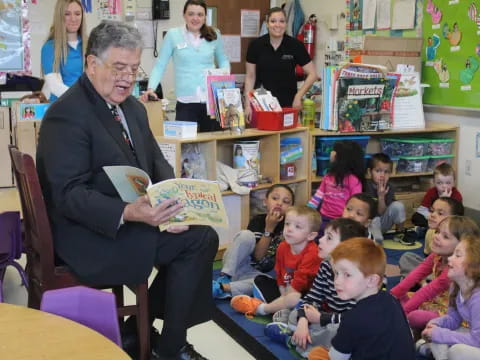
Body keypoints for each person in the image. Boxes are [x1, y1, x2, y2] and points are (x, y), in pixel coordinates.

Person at [35, 21, 219, 360]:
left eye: (134, 69)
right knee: (198, 241)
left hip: (134, 219)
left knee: (200, 233)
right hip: (88, 233)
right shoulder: (67, 115)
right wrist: (129, 212)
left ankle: (145, 333)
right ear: (92, 64)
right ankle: (165, 346)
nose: (127, 77)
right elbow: (69, 195)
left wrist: (173, 200)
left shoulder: (132, 107)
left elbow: (155, 162)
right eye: (118, 67)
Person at [264, 218, 367, 358]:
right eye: (324, 235)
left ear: (345, 248)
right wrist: (303, 320)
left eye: (329, 238)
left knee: (336, 331)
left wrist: (320, 318)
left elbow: (354, 319)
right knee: (298, 312)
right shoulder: (325, 266)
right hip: (324, 318)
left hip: (342, 326)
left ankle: (293, 340)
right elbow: (312, 297)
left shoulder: (355, 278)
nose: (321, 240)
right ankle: (302, 335)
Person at [307, 237, 415, 360]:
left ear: (371, 280)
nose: (337, 281)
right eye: (336, 273)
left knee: (317, 354)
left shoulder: (352, 318)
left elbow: (336, 357)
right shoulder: (391, 299)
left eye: (347, 275)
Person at [140, 0, 230, 132]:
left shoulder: (214, 34)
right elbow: (160, 65)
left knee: (212, 144)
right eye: (191, 14)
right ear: (184, 15)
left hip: (211, 101)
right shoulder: (173, 35)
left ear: (205, 17)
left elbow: (223, 60)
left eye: (200, 14)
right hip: (185, 100)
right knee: (186, 147)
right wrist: (151, 88)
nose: (195, 18)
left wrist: (225, 81)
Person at [391, 215, 479, 336]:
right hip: (433, 302)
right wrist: (393, 294)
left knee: (415, 316)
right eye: (437, 232)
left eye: (445, 236)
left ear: (461, 247)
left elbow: (427, 291)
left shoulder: (453, 271)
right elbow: (417, 273)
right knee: (399, 295)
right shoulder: (436, 255)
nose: (436, 236)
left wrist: (403, 314)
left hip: (449, 313)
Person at [230, 206, 321, 318]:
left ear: (311, 235)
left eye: (297, 227)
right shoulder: (283, 247)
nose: (289, 229)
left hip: (307, 295)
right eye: (287, 224)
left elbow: (301, 280)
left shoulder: (313, 252)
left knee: (294, 298)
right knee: (260, 280)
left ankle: (262, 309)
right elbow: (280, 273)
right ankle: (284, 311)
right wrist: (282, 292)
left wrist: (286, 297)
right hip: (288, 291)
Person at [212, 184, 294, 299]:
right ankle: (225, 277)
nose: (279, 203)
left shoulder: (290, 228)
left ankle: (222, 288)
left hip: (253, 274)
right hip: (236, 265)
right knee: (246, 235)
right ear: (265, 201)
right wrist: (269, 229)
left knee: (269, 283)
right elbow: (257, 257)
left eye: (286, 201)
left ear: (291, 208)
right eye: (275, 198)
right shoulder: (258, 220)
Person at [244, 7, 318, 122]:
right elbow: (250, 76)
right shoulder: (255, 45)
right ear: (267, 24)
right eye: (273, 21)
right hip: (262, 105)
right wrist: (247, 105)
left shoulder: (295, 45)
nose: (277, 25)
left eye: (281, 21)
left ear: (286, 24)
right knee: (265, 139)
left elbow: (312, 74)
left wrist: (298, 96)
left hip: (288, 106)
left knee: (287, 139)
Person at [417, 234, 480, 360]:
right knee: (437, 334)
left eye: (457, 255)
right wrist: (436, 324)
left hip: (477, 340)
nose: (450, 259)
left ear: (474, 266)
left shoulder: (478, 298)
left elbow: (477, 340)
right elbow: (454, 319)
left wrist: (440, 334)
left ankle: (441, 353)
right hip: (475, 337)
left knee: (458, 351)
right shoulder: (455, 287)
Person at [307, 140, 365, 235]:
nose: (331, 153)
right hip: (324, 217)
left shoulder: (353, 180)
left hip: (343, 220)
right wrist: (307, 210)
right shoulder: (328, 176)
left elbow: (356, 203)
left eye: (334, 151)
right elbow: (318, 196)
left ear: (339, 157)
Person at [400, 197, 465, 278]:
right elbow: (428, 260)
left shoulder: (457, 238)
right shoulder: (430, 232)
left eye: (440, 213)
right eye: (431, 211)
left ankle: (420, 281)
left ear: (455, 219)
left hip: (452, 271)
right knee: (407, 257)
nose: (432, 215)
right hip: (435, 268)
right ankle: (421, 281)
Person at [41, 0, 86, 102]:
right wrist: (83, 101)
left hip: (88, 108)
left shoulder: (90, 45)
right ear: (59, 16)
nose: (73, 19)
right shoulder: (49, 47)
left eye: (77, 14)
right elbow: (55, 86)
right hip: (62, 107)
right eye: (67, 14)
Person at [365, 153, 406, 244]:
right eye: (378, 171)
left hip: (382, 221)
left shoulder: (389, 187)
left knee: (398, 205)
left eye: (386, 172)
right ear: (369, 172)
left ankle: (400, 233)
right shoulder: (365, 186)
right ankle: (376, 239)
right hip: (368, 225)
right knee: (374, 219)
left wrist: (381, 196)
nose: (382, 175)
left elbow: (381, 212)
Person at [412, 163, 463, 228]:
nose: (444, 186)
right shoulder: (431, 192)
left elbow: (457, 216)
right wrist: (431, 217)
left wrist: (445, 200)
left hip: (448, 220)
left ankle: (437, 228)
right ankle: (432, 228)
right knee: (416, 217)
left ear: (454, 183)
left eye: (448, 183)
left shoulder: (457, 195)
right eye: (439, 183)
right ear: (434, 182)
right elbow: (421, 210)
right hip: (432, 216)